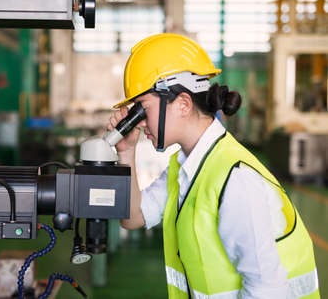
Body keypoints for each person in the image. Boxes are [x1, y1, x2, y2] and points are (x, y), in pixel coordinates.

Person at [107, 33, 319, 299]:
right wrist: (126, 152)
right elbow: (133, 217)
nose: (138, 121)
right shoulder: (185, 167)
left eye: (142, 108)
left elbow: (267, 291)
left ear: (183, 104)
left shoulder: (235, 178)